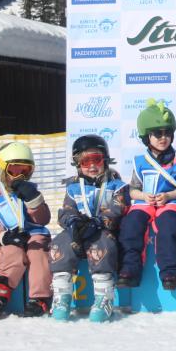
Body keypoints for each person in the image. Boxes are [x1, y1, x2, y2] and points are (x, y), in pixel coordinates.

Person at [49, 134, 129, 322]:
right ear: (78, 164)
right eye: (86, 161)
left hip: (102, 230)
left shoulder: (116, 186)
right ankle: (61, 297)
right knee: (60, 243)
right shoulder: (73, 188)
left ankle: (104, 298)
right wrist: (72, 222)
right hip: (78, 231)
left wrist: (99, 222)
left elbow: (118, 208)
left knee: (102, 245)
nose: (92, 166)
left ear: (105, 160)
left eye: (97, 159)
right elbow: (67, 210)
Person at [118, 100, 176, 290]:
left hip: (171, 204)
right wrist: (143, 196)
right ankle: (129, 270)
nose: (163, 138)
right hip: (145, 204)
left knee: (168, 226)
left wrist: (169, 195)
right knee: (131, 224)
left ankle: (170, 273)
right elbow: (133, 189)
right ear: (146, 136)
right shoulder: (140, 161)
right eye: (157, 133)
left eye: (167, 133)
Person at [0, 142, 51, 319]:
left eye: (25, 171)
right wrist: (2, 236)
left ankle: (39, 298)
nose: (19, 176)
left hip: (33, 236)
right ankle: (0, 294)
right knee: (12, 253)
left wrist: (34, 201)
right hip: (7, 241)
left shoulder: (31, 192)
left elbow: (43, 220)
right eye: (13, 170)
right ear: (1, 169)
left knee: (37, 251)